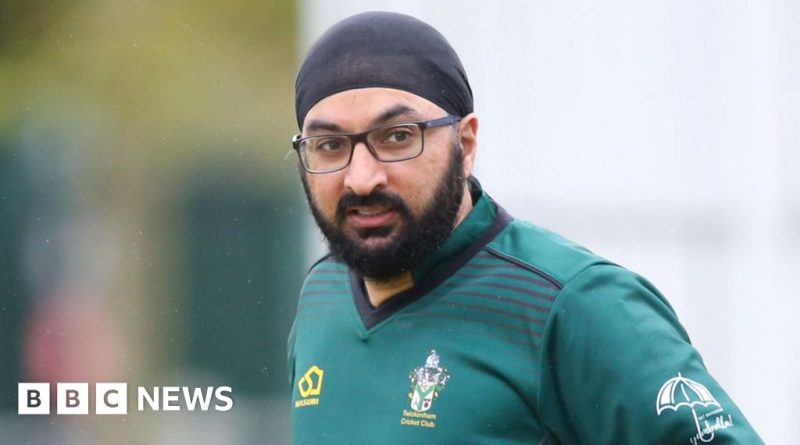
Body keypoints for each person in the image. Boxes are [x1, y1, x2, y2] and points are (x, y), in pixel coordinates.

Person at [286, 11, 763, 445]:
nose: (362, 178)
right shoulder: (321, 295)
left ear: (465, 143)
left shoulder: (577, 305)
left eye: (397, 138)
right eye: (329, 145)